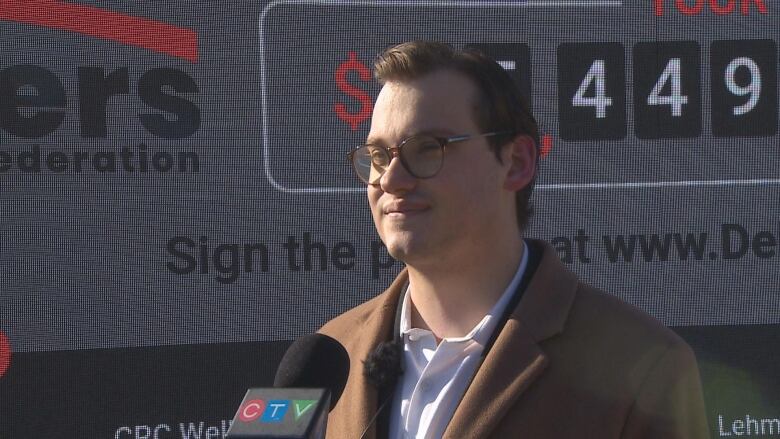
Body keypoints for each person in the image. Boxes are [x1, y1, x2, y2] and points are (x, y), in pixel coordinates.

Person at [318, 41, 709, 439]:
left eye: (427, 149)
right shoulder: (332, 354)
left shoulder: (642, 367)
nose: (391, 180)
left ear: (517, 162)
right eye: (379, 155)